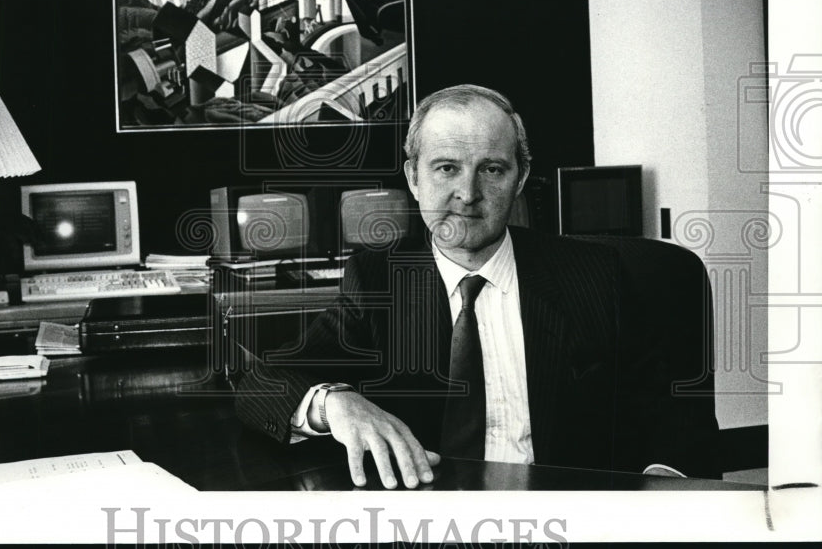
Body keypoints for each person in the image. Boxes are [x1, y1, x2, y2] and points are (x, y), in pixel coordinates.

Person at [234, 84, 698, 488]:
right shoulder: (378, 281)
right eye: (446, 168)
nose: (468, 192)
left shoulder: (595, 274)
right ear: (413, 178)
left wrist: (659, 489)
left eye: (492, 169)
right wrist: (334, 403)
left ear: (520, 179)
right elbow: (260, 385)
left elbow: (674, 410)